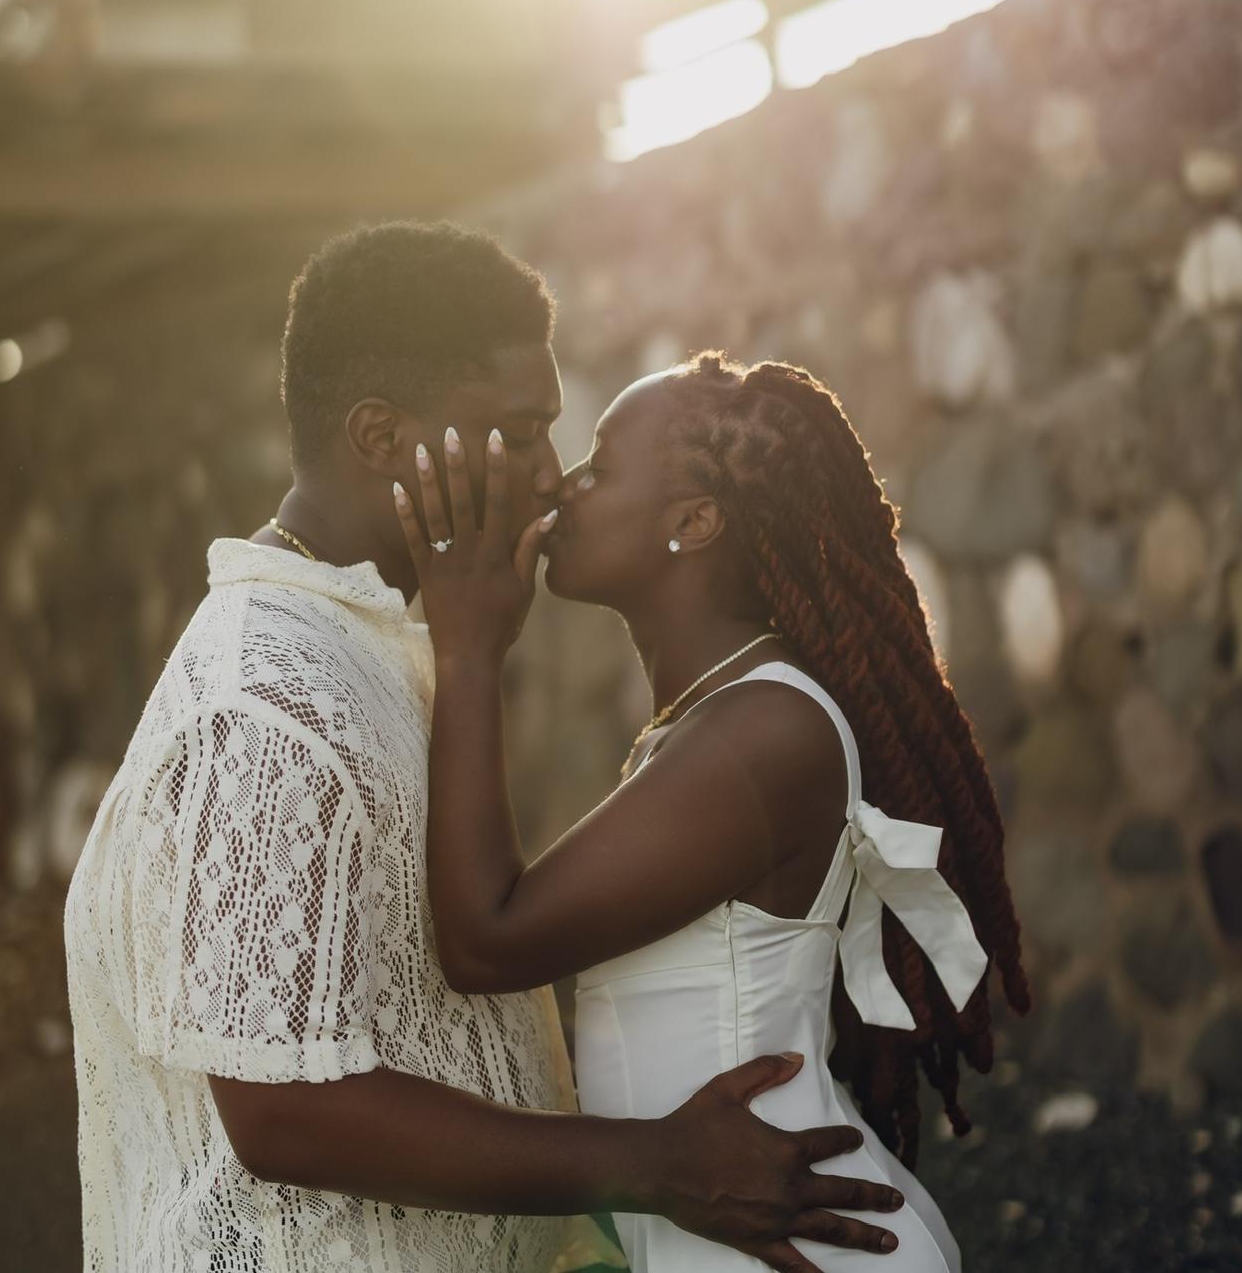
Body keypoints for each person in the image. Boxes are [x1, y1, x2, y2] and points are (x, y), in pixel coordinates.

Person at [63, 223, 908, 1273]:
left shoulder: (377, 646)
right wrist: (649, 1164)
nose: (550, 478)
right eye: (518, 432)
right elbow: (282, 1113)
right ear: (381, 437)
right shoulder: (263, 701)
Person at [395, 350, 1033, 1271]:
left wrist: (467, 650)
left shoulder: (761, 733)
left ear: (692, 522)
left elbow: (485, 942)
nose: (563, 487)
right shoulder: (722, 719)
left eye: (600, 467)